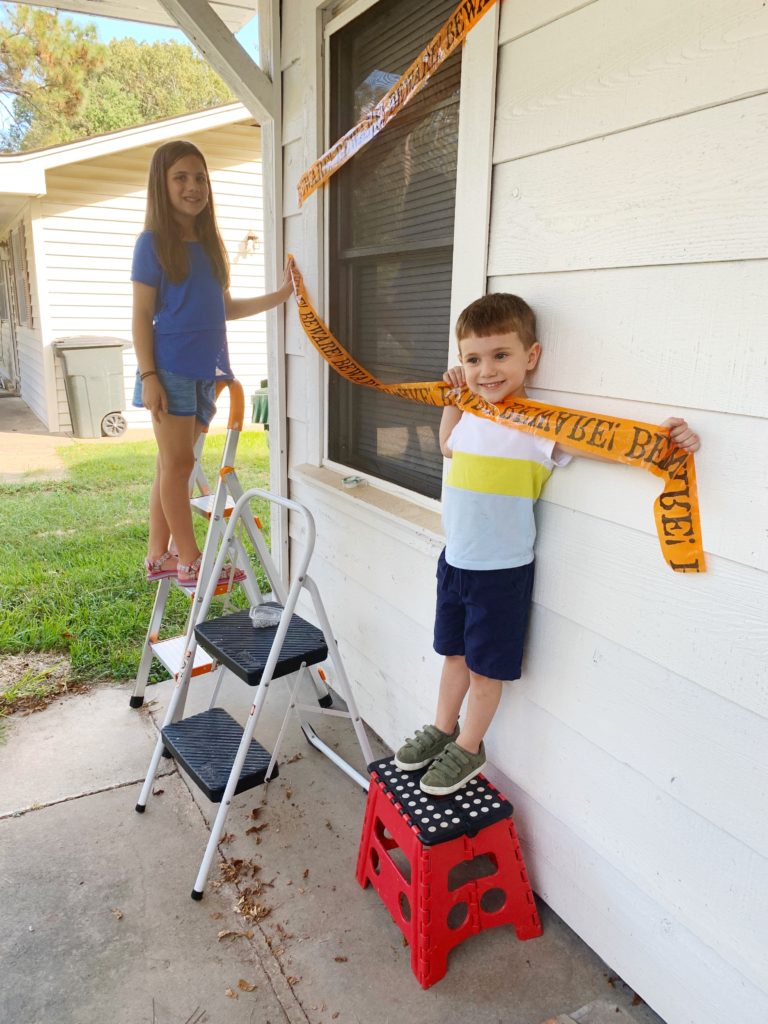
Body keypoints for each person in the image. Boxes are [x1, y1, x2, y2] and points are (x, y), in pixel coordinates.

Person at [395, 293, 701, 795]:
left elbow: (603, 443)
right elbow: (449, 444)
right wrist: (452, 400)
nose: (486, 370)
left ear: (530, 357)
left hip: (499, 573)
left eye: (500, 356)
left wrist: (665, 439)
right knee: (452, 655)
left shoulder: (538, 425)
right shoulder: (470, 412)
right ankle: (442, 728)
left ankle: (469, 748)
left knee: (484, 669)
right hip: (454, 562)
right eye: (473, 359)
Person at [131, 140, 293, 587]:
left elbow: (226, 308)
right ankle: (189, 560)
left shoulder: (210, 244)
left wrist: (281, 296)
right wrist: (149, 377)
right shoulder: (152, 245)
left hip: (204, 370)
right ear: (161, 186)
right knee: (178, 465)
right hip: (168, 369)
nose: (193, 186)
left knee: (171, 466)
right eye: (181, 177)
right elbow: (142, 315)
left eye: (200, 177)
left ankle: (158, 555)